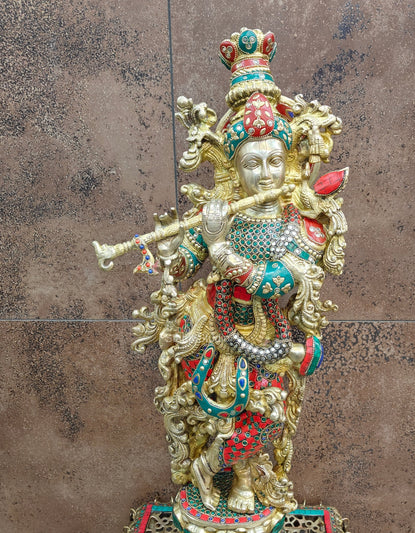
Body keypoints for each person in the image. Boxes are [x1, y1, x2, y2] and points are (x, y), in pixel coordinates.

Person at [131, 28, 347, 530]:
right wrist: (172, 254)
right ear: (234, 168)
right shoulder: (220, 214)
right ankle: (217, 475)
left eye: (274, 161)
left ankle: (238, 477)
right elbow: (184, 263)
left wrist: (221, 250)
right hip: (215, 332)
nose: (265, 174)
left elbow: (276, 282)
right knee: (217, 415)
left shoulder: (302, 224)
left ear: (288, 163)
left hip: (271, 337)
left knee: (263, 415)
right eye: (252, 163)